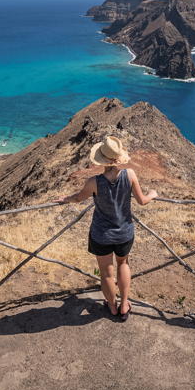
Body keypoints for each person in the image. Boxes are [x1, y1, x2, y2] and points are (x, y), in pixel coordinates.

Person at [57, 136, 157, 321]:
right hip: (124, 233)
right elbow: (142, 201)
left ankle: (112, 306)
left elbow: (78, 198)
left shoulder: (93, 182)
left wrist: (65, 199)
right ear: (119, 158)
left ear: (101, 159)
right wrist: (152, 194)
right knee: (123, 264)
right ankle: (124, 304)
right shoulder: (130, 175)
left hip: (101, 235)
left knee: (106, 273)